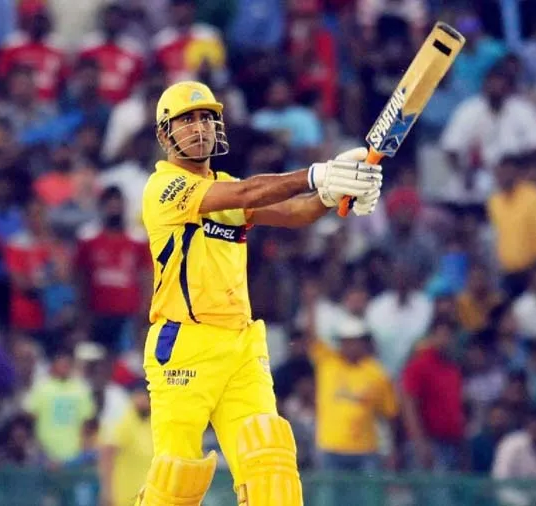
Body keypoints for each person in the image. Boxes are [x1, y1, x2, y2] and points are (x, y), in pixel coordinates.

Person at [134, 80, 383, 506]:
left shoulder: (226, 185)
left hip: (242, 347)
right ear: (164, 134)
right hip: (184, 345)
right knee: (176, 480)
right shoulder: (164, 188)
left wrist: (333, 194)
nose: (200, 127)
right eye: (187, 120)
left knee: (271, 466)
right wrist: (315, 174)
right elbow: (247, 192)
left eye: (206, 118)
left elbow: (293, 211)